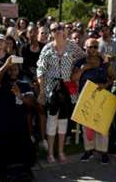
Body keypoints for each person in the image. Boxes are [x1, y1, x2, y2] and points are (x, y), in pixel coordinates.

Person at [36, 22, 85, 163]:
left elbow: (83, 58)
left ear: (64, 30)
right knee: (52, 119)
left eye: (60, 28)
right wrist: (41, 90)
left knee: (64, 119)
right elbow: (40, 70)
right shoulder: (47, 48)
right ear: (50, 33)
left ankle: (61, 151)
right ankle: (50, 153)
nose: (57, 31)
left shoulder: (72, 46)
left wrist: (77, 73)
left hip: (68, 86)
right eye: (54, 29)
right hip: (51, 87)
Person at [71, 38, 115, 164]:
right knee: (87, 126)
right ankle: (88, 150)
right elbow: (73, 78)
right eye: (90, 47)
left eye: (95, 47)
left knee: (102, 125)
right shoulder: (80, 62)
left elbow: (113, 77)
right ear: (85, 47)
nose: (93, 49)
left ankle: (103, 152)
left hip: (101, 97)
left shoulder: (104, 62)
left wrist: (105, 85)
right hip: (86, 97)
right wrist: (83, 69)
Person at [0, 55, 36, 181]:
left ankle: (26, 170)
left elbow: (32, 103)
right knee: (2, 146)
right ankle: (0, 171)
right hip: (4, 121)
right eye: (10, 69)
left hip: (20, 121)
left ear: (19, 70)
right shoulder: (1, 83)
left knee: (24, 147)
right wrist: (6, 64)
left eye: (15, 69)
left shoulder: (24, 84)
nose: (12, 72)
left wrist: (20, 96)